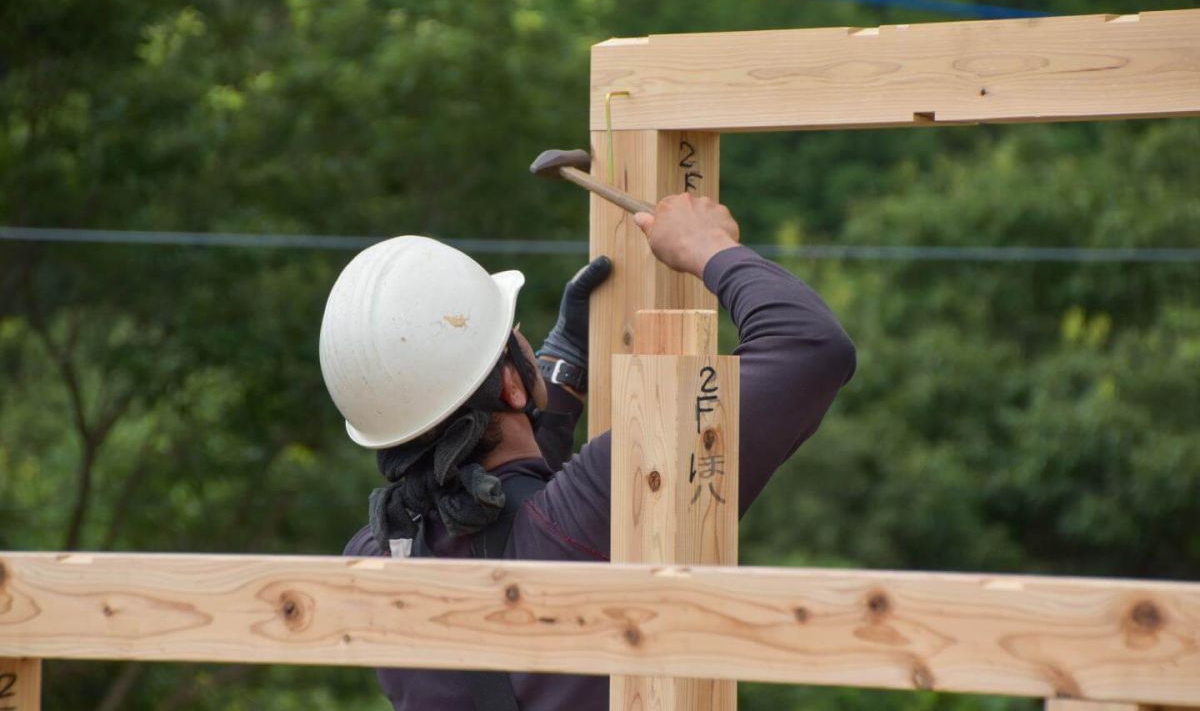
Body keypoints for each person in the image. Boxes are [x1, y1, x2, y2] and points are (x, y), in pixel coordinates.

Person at [319, 192, 857, 711]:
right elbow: (810, 347)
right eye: (516, 335)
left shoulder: (374, 553)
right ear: (511, 384)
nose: (529, 339)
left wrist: (561, 364)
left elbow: (502, 508)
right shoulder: (596, 518)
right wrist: (709, 246)